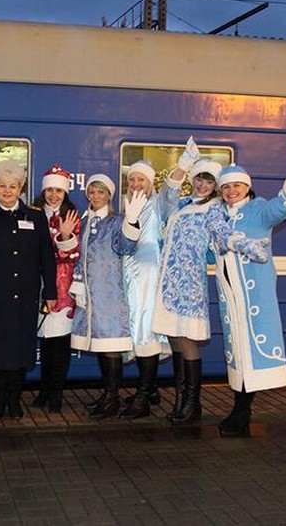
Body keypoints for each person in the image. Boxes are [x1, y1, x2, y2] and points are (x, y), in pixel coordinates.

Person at [153, 139, 268, 425]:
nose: (203, 185)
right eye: (199, 179)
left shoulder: (215, 208)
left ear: (215, 186)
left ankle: (193, 403)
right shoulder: (181, 204)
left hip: (190, 282)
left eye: (209, 181)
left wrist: (242, 243)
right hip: (167, 281)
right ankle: (181, 400)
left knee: (187, 340)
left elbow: (221, 232)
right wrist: (183, 164)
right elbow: (165, 197)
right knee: (174, 338)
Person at [213, 139, 286, 437]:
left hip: (254, 296)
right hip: (230, 298)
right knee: (238, 354)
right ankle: (240, 412)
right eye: (226, 187)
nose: (231, 191)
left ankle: (241, 413)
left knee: (252, 354)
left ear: (247, 187)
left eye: (236, 185)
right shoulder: (218, 216)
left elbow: (282, 207)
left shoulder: (259, 210)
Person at [0, 160, 57, 420]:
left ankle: (14, 401)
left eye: (12, 186)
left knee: (20, 352)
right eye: (2, 186)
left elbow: (47, 258)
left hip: (24, 297)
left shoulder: (35, 216)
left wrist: (50, 293)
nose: (7, 191)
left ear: (20, 188)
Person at [70, 174, 147, 419]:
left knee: (111, 346)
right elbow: (78, 257)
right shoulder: (84, 221)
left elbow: (126, 247)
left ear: (109, 196)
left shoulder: (116, 222)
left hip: (110, 294)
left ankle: (112, 399)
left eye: (101, 192)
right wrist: (78, 285)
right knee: (100, 346)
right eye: (92, 192)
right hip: (89, 295)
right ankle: (107, 395)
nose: (96, 196)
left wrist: (132, 222)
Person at [117, 160, 182, 420]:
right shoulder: (127, 205)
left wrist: (182, 167)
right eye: (131, 179)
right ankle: (150, 389)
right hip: (130, 276)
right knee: (137, 330)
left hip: (148, 277)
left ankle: (143, 398)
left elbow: (171, 193)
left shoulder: (157, 204)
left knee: (146, 332)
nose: (135, 184)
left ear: (150, 182)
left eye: (140, 179)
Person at [30, 165, 81, 413]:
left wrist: (65, 237)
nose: (53, 195)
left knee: (60, 341)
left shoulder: (72, 216)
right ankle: (44, 390)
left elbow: (72, 255)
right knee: (45, 341)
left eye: (58, 191)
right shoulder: (32, 213)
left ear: (65, 193)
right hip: (36, 284)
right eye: (49, 190)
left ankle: (56, 393)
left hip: (63, 287)